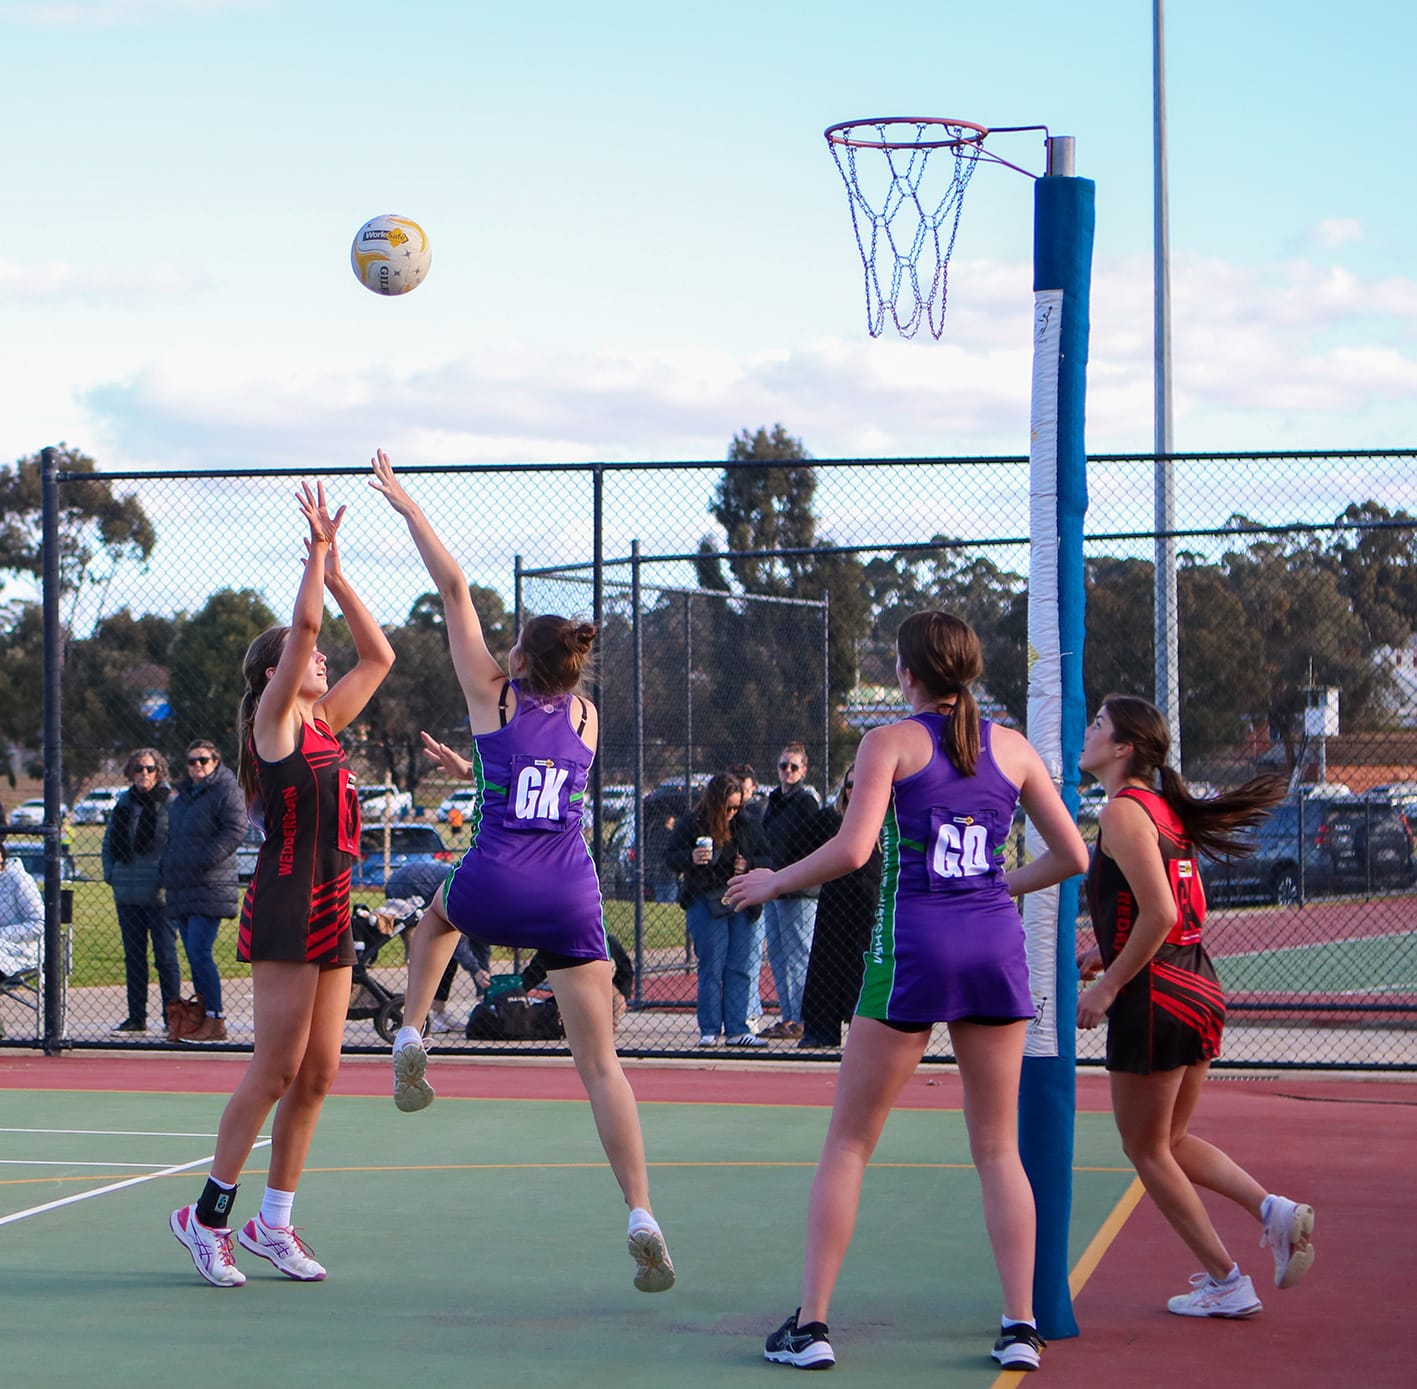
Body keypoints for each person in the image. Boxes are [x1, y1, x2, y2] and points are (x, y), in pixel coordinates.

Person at [725, 609, 1089, 1373]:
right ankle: (1019, 1323)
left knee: (851, 1140)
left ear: (907, 672)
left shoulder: (889, 742)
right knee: (996, 1147)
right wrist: (999, 885)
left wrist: (774, 879)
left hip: (915, 948)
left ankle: (812, 1325)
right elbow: (1073, 854)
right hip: (993, 947)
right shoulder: (1014, 749)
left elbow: (854, 849)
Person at [370, 449, 675, 1295]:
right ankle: (641, 1210)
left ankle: (411, 1030)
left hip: (495, 877)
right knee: (601, 1065)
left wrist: (409, 509)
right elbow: (536, 781)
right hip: (570, 891)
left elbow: (455, 591)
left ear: (521, 661)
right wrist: (466, 761)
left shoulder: (492, 696)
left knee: (435, 918)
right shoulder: (585, 715)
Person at [169, 480, 395, 1288]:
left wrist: (338, 577)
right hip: (287, 903)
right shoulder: (275, 725)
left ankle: (275, 1222)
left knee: (321, 1072)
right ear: (275, 672)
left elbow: (381, 655)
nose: (322, 657)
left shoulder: (328, 720)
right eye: (306, 657)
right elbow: (304, 630)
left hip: (332, 907)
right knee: (272, 1067)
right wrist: (316, 557)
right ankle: (206, 1218)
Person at [1076, 693, 1313, 1319]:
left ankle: (1226, 1280)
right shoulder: (1163, 810)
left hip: (1157, 996)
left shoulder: (1125, 812)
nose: (1088, 731)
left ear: (1123, 747)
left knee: (1146, 1149)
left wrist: (1109, 986)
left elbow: (1162, 912)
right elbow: (1183, 913)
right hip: (1197, 984)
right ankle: (1274, 1212)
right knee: (1171, 1139)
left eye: (1098, 724)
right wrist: (1111, 957)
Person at [663, 772, 769, 1048]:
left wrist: (750, 864)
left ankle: (737, 1028)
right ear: (715, 804)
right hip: (706, 900)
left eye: (737, 807)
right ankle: (709, 1028)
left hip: (742, 900)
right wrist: (691, 858)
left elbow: (769, 857)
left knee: (741, 966)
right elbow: (670, 856)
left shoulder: (747, 823)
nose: (733, 813)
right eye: (728, 808)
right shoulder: (692, 823)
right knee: (711, 966)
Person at [161, 738, 247, 1042]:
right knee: (192, 953)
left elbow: (236, 829)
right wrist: (168, 867)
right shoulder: (184, 796)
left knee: (200, 951)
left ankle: (216, 1016)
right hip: (182, 885)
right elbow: (174, 837)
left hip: (210, 885)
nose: (198, 766)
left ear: (216, 761)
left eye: (204, 760)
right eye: (192, 761)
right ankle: (202, 1014)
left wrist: (204, 860)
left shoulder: (226, 790)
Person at [797, 763, 881, 1049]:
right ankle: (821, 1031)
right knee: (826, 964)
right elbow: (795, 846)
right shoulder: (830, 820)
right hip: (836, 903)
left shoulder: (887, 821)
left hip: (872, 905)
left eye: (860, 784)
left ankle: (866, 1034)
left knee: (867, 967)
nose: (853, 791)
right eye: (849, 785)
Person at [102, 748, 178, 1034]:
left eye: (148, 769)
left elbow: (175, 843)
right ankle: (137, 1017)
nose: (143, 774)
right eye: (137, 769)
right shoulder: (123, 803)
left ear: (159, 771)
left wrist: (166, 878)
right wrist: (112, 874)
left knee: (165, 958)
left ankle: (173, 1017)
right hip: (127, 892)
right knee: (134, 958)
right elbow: (108, 843)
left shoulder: (169, 803)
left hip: (159, 895)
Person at [758, 741, 821, 1039]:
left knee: (799, 953)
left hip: (799, 889)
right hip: (774, 887)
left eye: (794, 767)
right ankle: (789, 1016)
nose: (788, 772)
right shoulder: (773, 801)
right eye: (784, 766)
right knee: (779, 956)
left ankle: (803, 1017)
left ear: (804, 770)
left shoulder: (806, 802)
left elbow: (810, 845)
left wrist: (788, 872)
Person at [728, 761, 766, 1028]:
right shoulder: (723, 816)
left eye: (745, 782)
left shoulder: (758, 813)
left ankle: (749, 1012)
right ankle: (735, 1015)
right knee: (726, 962)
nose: (741, 786)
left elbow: (765, 853)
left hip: (753, 894)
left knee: (750, 958)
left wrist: (749, 865)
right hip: (723, 897)